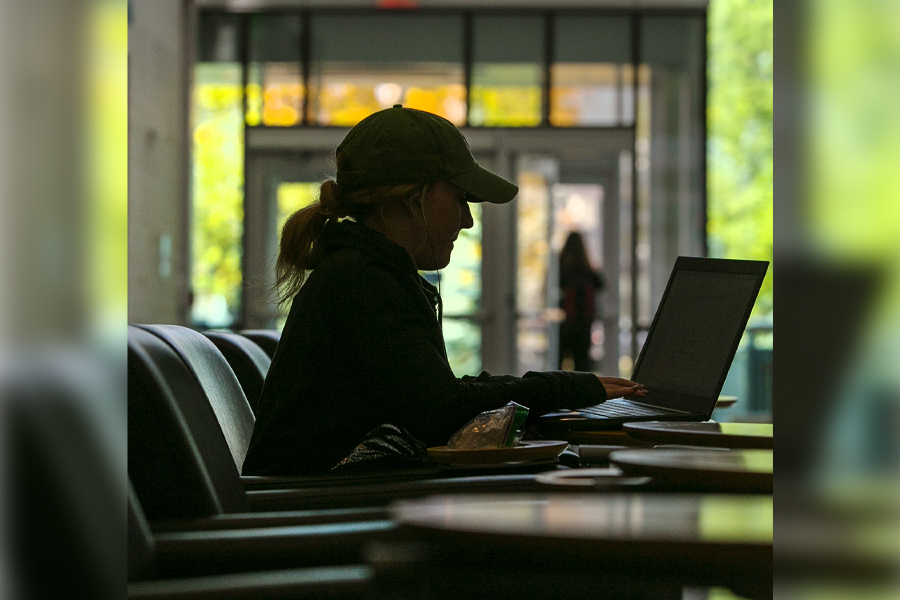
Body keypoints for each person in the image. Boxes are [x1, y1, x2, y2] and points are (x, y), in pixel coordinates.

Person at [242, 105, 645, 476]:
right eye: (458, 198)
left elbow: (432, 393)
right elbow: (440, 411)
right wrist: (557, 389)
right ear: (411, 198)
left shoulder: (363, 270)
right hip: (321, 513)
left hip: (324, 501)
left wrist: (563, 389)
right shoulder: (362, 281)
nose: (468, 220)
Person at [558, 231, 605, 372]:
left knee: (558, 367)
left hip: (565, 323)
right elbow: (601, 285)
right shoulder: (588, 271)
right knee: (582, 366)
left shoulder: (561, 269)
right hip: (584, 323)